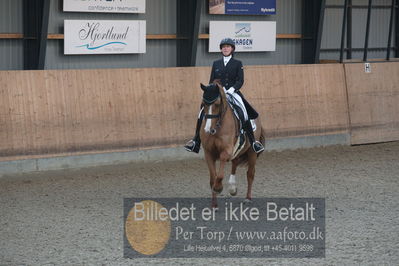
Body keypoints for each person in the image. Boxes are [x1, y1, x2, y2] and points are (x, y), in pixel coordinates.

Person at [184, 38, 264, 154]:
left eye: (228, 47)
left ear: (232, 49)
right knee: (202, 112)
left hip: (233, 93)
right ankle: (196, 141)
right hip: (218, 94)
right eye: (223, 47)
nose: (225, 48)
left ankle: (253, 142)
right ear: (221, 49)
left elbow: (240, 80)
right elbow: (212, 80)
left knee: (243, 112)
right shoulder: (216, 63)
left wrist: (231, 90)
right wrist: (214, 89)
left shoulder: (237, 63)